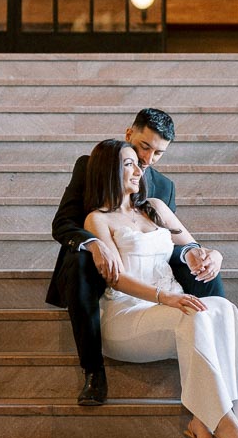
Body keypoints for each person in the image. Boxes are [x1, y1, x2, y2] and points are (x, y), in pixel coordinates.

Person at [84, 138, 238, 438]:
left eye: (137, 164)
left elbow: (193, 246)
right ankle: (227, 425)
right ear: (107, 171)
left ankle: (202, 421)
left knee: (222, 307)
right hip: (127, 316)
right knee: (192, 313)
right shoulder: (98, 219)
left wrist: (215, 256)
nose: (139, 170)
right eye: (128, 164)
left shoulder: (154, 207)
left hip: (170, 309)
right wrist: (164, 297)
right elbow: (115, 276)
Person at [45, 107, 225, 407]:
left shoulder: (163, 188)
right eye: (144, 147)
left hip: (145, 265)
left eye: (158, 154)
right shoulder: (93, 165)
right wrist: (93, 242)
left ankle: (226, 372)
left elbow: (168, 240)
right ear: (130, 134)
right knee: (80, 260)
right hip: (95, 262)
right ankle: (93, 372)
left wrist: (205, 253)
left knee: (202, 268)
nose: (147, 160)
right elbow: (63, 223)